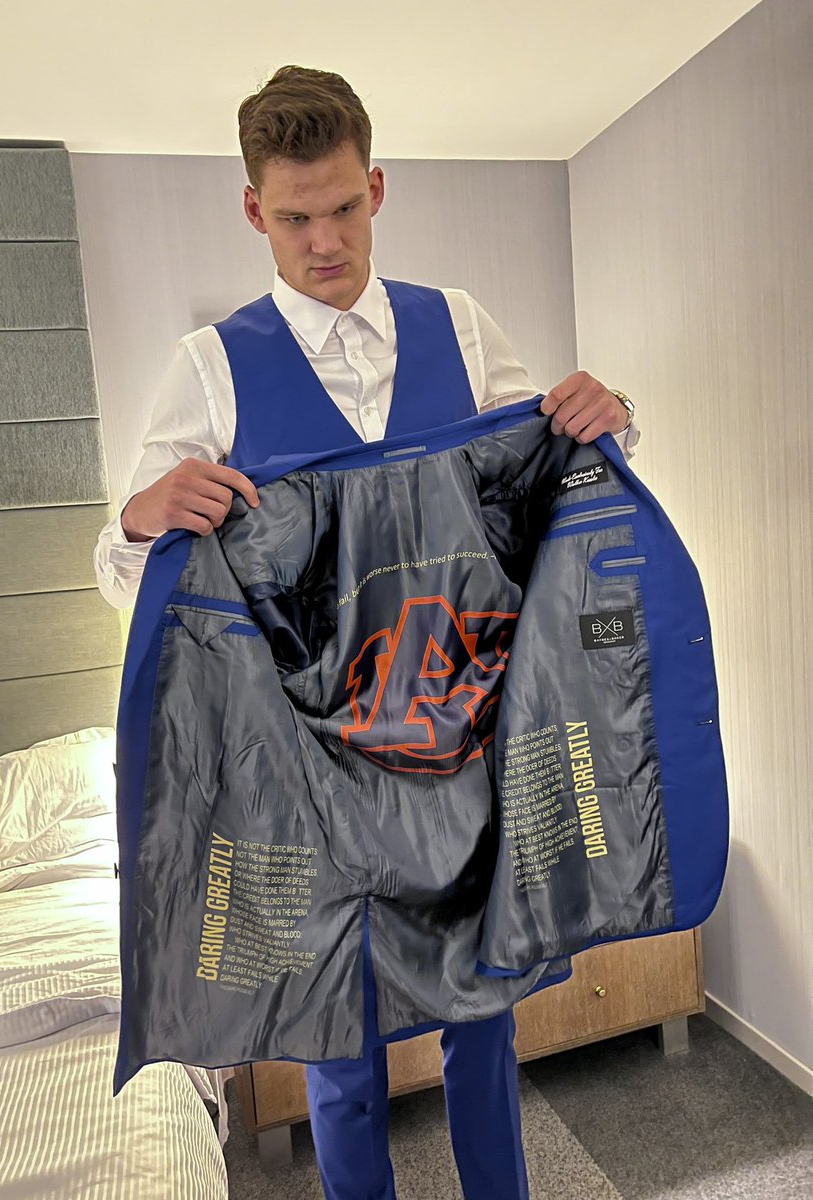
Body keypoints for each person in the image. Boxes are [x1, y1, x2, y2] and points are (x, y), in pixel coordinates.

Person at [94, 65, 639, 1200]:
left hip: (458, 745)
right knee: (336, 1044)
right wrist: (140, 518)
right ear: (255, 210)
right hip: (306, 771)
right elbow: (127, 580)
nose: (326, 240)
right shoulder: (208, 369)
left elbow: (539, 484)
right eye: (296, 217)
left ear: (377, 188)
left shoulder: (461, 328)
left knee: (485, 1018)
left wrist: (610, 422)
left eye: (344, 207)